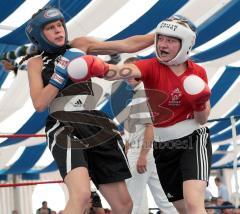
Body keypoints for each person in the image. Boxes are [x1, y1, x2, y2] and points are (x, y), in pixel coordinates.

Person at [70, 15, 212, 214]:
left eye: (170, 40)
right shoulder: (150, 66)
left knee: (193, 204)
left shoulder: (197, 72)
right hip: (163, 146)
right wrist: (96, 67)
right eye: (160, 38)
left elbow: (202, 119)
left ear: (185, 44)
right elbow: (120, 71)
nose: (162, 44)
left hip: (193, 140)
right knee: (181, 209)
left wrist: (199, 102)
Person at [24, 7, 154, 214]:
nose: (58, 30)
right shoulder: (35, 63)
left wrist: (162, 35)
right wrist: (60, 75)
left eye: (59, 25)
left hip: (95, 123)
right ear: (39, 36)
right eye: (50, 28)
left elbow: (127, 45)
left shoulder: (79, 45)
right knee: (82, 196)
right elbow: (39, 104)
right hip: (63, 124)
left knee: (124, 205)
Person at [123, 57, 178, 214]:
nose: (126, 76)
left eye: (129, 72)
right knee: (163, 199)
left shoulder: (143, 94)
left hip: (142, 150)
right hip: (146, 150)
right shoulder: (143, 93)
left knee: (134, 199)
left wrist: (142, 155)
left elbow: (150, 127)